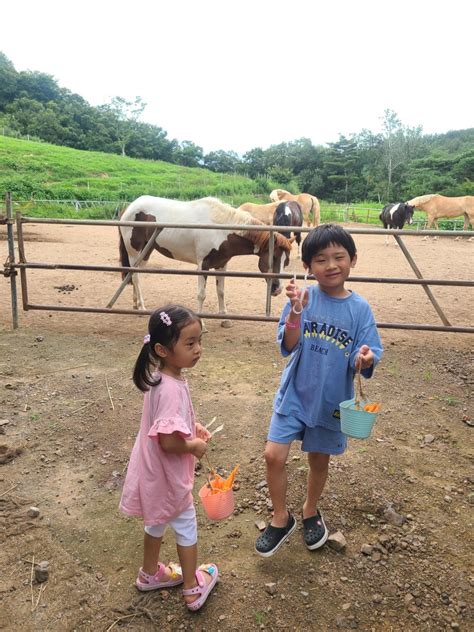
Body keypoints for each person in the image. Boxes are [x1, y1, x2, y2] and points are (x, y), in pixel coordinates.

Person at [255, 224, 383, 557]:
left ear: (352, 259)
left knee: (318, 458)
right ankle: (281, 517)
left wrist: (364, 357)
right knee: (273, 455)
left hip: (330, 400)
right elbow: (289, 343)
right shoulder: (304, 297)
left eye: (339, 256)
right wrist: (297, 310)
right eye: (321, 259)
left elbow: (364, 352)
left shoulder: (360, 309)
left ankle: (311, 510)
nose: (330, 265)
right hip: (296, 391)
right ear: (308, 266)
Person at [119, 304, 218, 611]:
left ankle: (150, 574)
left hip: (151, 473)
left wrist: (191, 428)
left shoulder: (160, 378)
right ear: (162, 349)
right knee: (186, 526)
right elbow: (166, 440)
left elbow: (165, 423)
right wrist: (192, 446)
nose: (198, 349)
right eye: (190, 343)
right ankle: (191, 589)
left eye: (199, 340)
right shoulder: (172, 388)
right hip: (168, 474)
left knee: (156, 522)